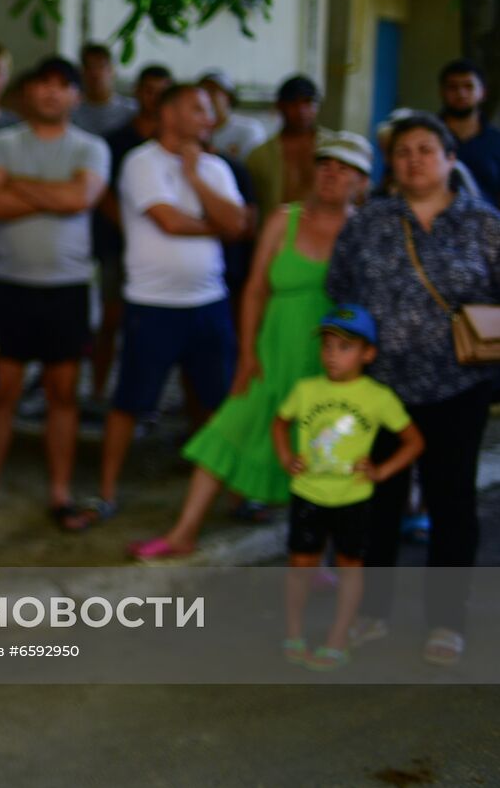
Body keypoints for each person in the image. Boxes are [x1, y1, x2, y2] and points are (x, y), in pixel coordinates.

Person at [128, 132, 373, 559]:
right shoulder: (285, 219)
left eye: (345, 168)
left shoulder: (366, 232)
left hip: (329, 361)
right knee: (226, 431)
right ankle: (183, 533)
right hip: (273, 351)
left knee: (324, 455)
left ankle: (319, 557)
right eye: (325, 164)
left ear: (363, 181)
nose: (332, 174)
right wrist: (246, 353)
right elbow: (255, 288)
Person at [327, 113, 500, 667]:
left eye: (428, 149)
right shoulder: (369, 223)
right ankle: (372, 611)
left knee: (452, 505)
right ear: (391, 164)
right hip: (382, 390)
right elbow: (341, 290)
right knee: (377, 501)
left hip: (459, 387)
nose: (415, 159)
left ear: (451, 160)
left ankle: (446, 622)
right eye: (403, 151)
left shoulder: (484, 223)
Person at [97, 84, 248, 517]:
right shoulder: (140, 162)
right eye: (197, 108)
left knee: (220, 400)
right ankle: (107, 492)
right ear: (169, 113)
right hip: (153, 305)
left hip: (209, 303)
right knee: (130, 402)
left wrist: (196, 177)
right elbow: (168, 221)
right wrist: (214, 225)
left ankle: (237, 492)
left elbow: (238, 224)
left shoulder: (215, 168)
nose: (208, 117)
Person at [0, 57, 109, 529]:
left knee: (63, 393)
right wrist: (55, 193)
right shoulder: (2, 143)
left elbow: (81, 199)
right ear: (27, 93)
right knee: (3, 391)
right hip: (11, 285)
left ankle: (60, 492)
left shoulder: (91, 148)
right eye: (42, 84)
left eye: (62, 86)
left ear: (75, 96)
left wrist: (18, 186)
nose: (52, 93)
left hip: (67, 289)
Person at [274, 305, 424, 671]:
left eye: (345, 347)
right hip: (308, 493)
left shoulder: (378, 397)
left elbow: (414, 441)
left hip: (353, 497)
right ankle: (293, 633)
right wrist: (285, 456)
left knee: (350, 566)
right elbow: (280, 422)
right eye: (327, 346)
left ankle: (338, 637)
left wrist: (381, 470)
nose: (332, 356)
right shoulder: (306, 389)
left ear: (367, 354)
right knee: (301, 564)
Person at [90, 64, 173, 401]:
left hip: (162, 248)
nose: (153, 98)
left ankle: (148, 397)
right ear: (137, 93)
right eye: (147, 90)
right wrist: (133, 229)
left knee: (152, 326)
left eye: (161, 92)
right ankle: (97, 391)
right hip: (118, 245)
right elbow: (103, 192)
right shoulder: (116, 140)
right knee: (111, 320)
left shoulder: (174, 145)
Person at [246, 74, 334, 219]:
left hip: (324, 232)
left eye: (307, 102)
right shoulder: (259, 156)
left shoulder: (335, 148)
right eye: (293, 104)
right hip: (278, 234)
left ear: (317, 106)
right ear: (280, 106)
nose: (301, 110)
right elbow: (251, 206)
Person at [437, 58, 500, 206]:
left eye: (469, 86)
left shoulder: (496, 141)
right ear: (441, 92)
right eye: (453, 87)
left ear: (483, 93)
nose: (461, 93)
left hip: (489, 225)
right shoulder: (426, 138)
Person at [70, 42, 137, 136]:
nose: (95, 73)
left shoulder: (132, 111)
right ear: (82, 72)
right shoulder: (71, 112)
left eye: (101, 66)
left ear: (113, 71)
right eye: (90, 67)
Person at [199, 70, 266, 161]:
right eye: (203, 92)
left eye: (213, 91)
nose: (207, 98)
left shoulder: (249, 129)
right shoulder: (192, 131)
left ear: (229, 97)